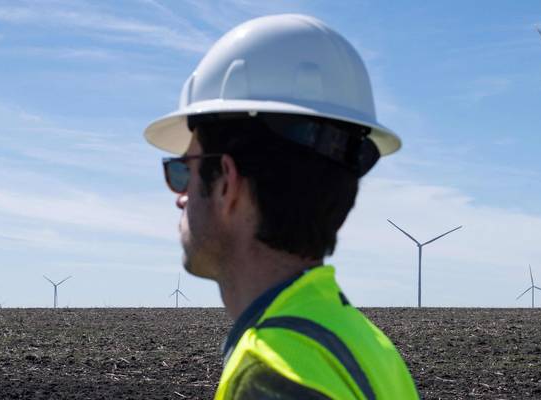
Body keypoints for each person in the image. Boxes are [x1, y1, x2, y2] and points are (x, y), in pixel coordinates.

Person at [143, 14, 419, 400]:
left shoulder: (270, 377)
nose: (179, 196)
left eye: (181, 171)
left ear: (226, 182)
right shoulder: (365, 345)